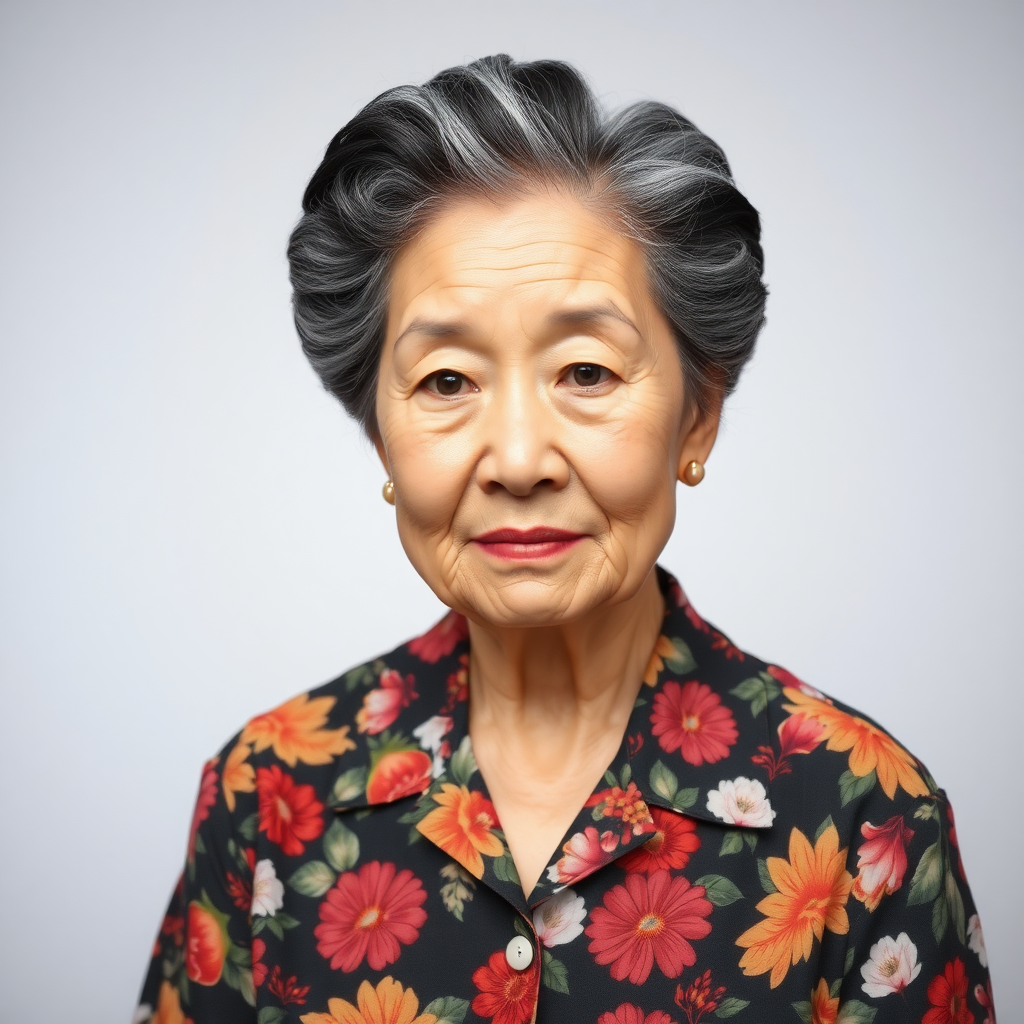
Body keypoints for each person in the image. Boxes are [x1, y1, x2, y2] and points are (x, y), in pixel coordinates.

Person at [136, 55, 994, 1024]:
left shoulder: (861, 812)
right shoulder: (269, 791)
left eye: (586, 371)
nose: (515, 458)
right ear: (378, 430)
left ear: (698, 417)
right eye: (446, 380)